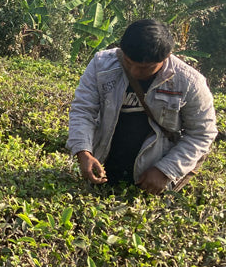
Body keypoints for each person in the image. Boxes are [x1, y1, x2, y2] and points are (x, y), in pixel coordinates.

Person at [67, 18, 217, 194]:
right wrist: (83, 151)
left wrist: (165, 170)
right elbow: (83, 110)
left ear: (166, 57)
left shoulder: (190, 82)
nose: (134, 72)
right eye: (129, 63)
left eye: (145, 68)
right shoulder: (101, 64)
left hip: (152, 179)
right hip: (105, 170)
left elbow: (202, 134)